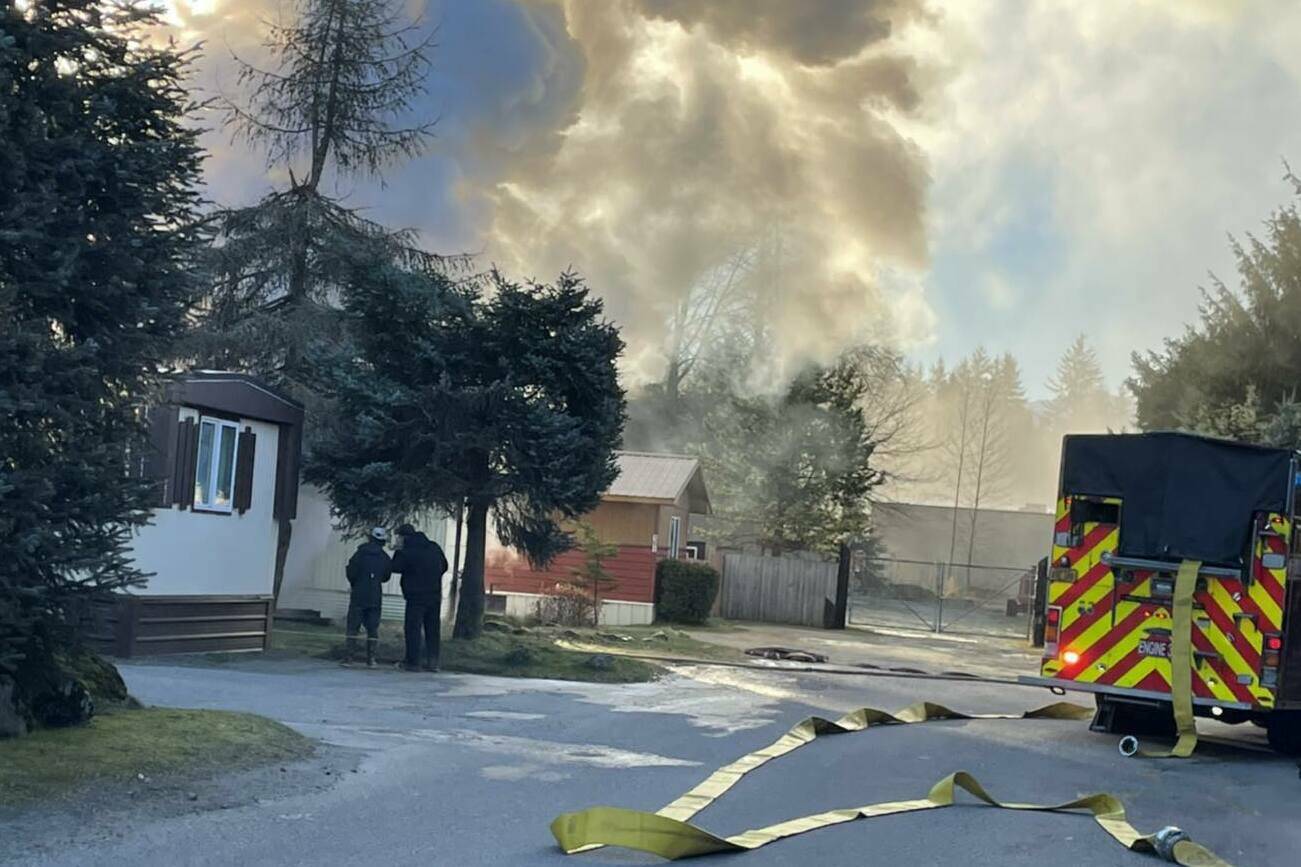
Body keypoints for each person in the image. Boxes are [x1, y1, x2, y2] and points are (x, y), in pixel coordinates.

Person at [390, 522, 449, 672]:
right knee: (432, 629)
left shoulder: (407, 551)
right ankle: (433, 662)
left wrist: (397, 551)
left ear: (403, 537)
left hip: (415, 596)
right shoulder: (433, 547)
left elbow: (395, 567)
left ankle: (413, 662)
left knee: (413, 629)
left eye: (399, 537)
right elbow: (444, 566)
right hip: (434, 595)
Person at [344, 527, 392, 667]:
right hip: (375, 596)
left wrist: (356, 583)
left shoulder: (359, 554)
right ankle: (371, 659)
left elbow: (351, 572)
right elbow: (386, 577)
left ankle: (349, 657)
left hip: (359, 594)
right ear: (382, 541)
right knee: (372, 628)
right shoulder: (384, 557)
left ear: (370, 538)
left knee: (353, 627)